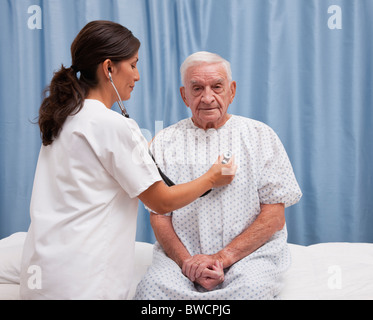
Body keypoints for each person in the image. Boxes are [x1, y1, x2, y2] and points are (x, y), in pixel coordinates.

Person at [19, 23, 236, 300]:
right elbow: (161, 201)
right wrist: (212, 178)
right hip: (84, 282)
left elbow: (96, 171)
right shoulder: (113, 125)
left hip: (42, 274)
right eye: (133, 65)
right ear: (109, 68)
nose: (137, 75)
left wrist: (141, 150)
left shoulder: (66, 117)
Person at [134, 51, 302, 300]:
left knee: (250, 289)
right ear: (184, 95)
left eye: (217, 87)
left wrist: (222, 258)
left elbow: (274, 217)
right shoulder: (163, 143)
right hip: (183, 259)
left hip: (249, 256)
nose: (208, 97)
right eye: (197, 88)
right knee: (151, 290)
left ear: (231, 91)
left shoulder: (260, 136)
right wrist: (187, 263)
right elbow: (160, 217)